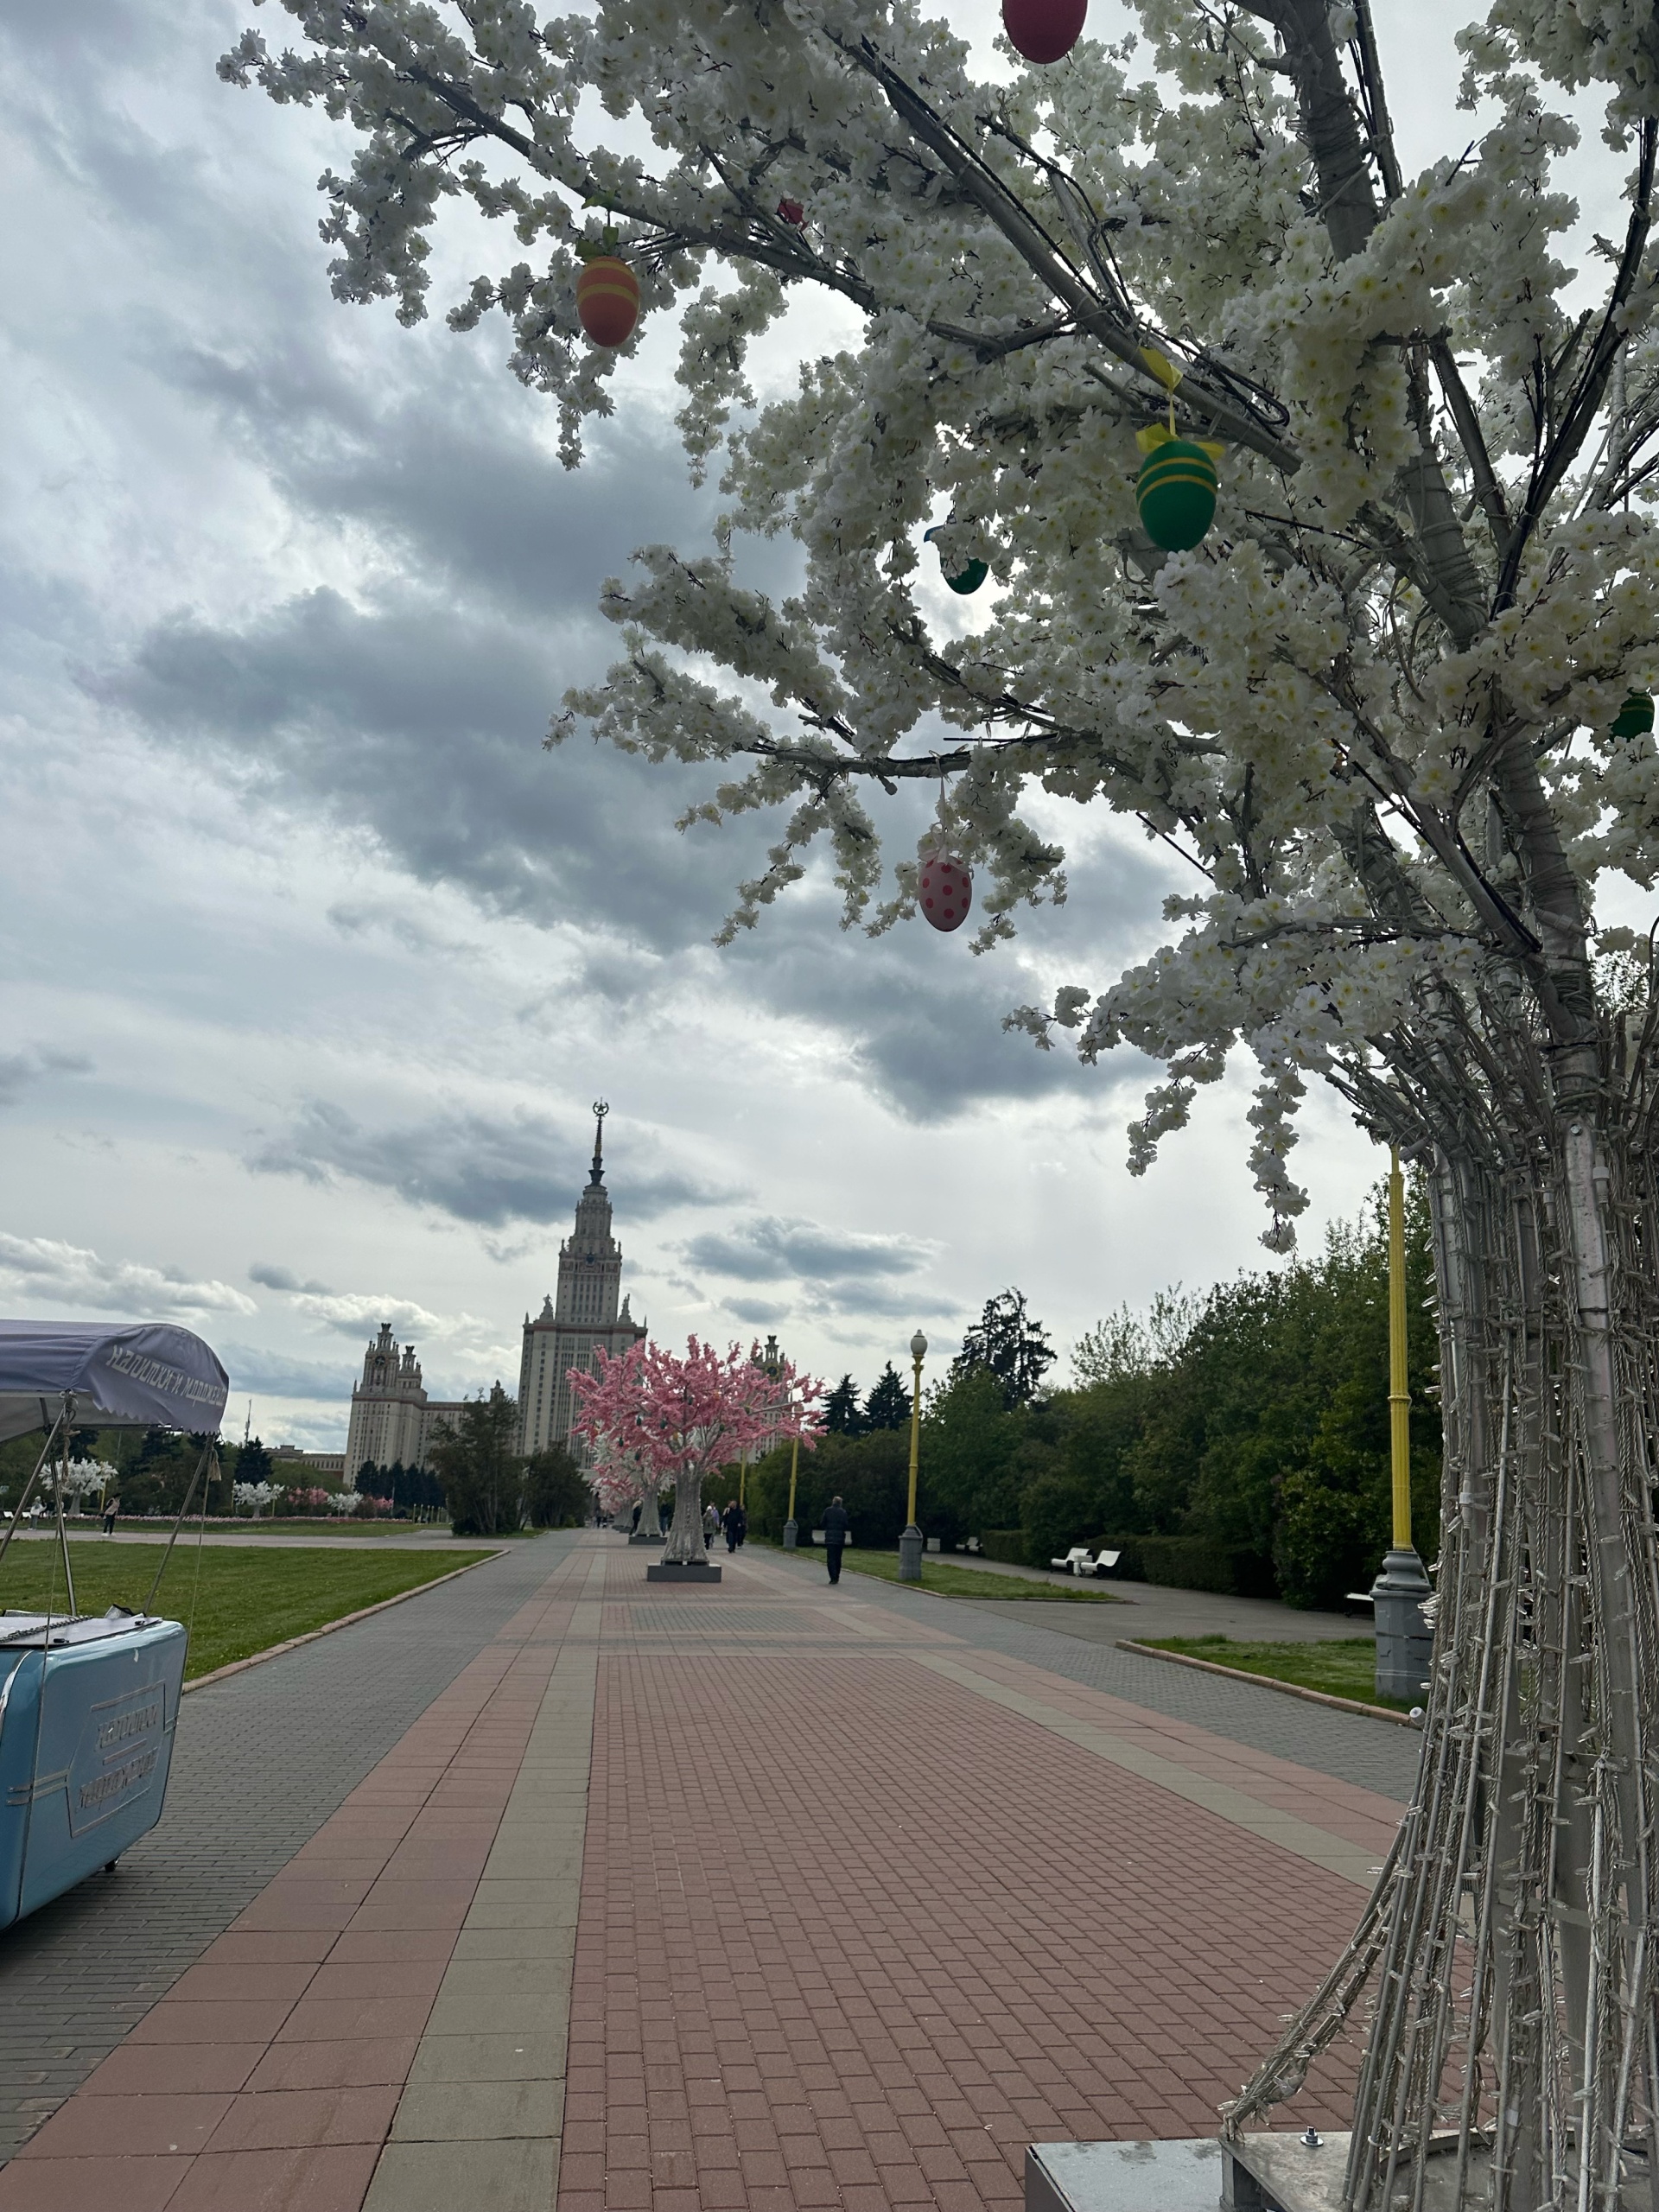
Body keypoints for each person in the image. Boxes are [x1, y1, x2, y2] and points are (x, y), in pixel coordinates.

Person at [822, 1494, 849, 1585]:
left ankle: (832, 1577)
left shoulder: (827, 1511)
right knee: (838, 1558)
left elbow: (822, 1523)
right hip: (840, 1538)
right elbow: (846, 1525)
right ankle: (837, 1576)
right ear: (840, 1503)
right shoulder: (843, 1512)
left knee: (831, 1558)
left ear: (833, 1502)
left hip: (830, 1538)